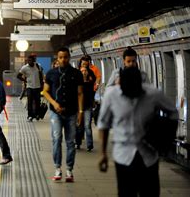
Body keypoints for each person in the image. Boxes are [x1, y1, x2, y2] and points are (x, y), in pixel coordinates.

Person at [98, 67, 178, 196]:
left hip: (148, 154)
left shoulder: (153, 94)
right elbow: (103, 125)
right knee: (126, 193)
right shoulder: (111, 95)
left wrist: (165, 137)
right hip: (123, 155)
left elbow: (173, 112)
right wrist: (103, 154)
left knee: (150, 193)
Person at [42, 47, 84, 182]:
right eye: (60, 57)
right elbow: (45, 92)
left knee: (70, 142)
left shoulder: (77, 74)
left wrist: (81, 111)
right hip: (56, 113)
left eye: (65, 57)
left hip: (71, 112)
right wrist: (54, 104)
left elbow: (80, 93)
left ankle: (69, 170)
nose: (63, 60)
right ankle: (57, 168)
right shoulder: (51, 74)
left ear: (69, 58)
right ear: (57, 58)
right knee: (57, 138)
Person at [17, 54, 44, 121]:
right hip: (29, 87)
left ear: (34, 60)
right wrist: (25, 80)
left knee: (38, 102)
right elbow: (18, 76)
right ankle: (30, 115)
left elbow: (41, 75)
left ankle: (37, 114)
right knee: (30, 102)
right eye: (28, 60)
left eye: (31, 60)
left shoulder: (38, 66)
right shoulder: (24, 68)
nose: (29, 62)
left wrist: (42, 85)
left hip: (37, 87)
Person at [75, 65, 96, 151]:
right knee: (79, 126)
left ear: (87, 72)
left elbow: (92, 94)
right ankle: (78, 142)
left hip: (88, 107)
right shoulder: (77, 83)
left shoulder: (90, 83)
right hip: (78, 107)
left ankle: (89, 144)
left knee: (87, 125)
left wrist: (93, 102)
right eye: (82, 71)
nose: (83, 72)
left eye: (85, 71)